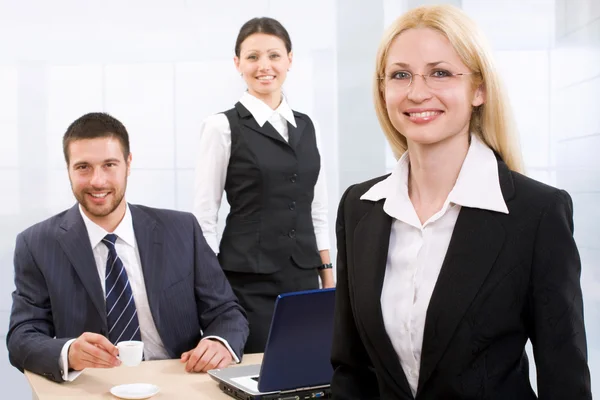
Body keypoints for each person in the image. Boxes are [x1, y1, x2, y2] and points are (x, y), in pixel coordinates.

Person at [331, 5, 591, 400]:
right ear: (383, 89)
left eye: (440, 73)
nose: (418, 92)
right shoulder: (359, 208)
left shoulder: (536, 214)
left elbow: (565, 381)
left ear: (479, 89)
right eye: (400, 75)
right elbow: (351, 371)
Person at [7, 112, 249, 383]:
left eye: (109, 164)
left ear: (128, 164)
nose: (97, 181)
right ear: (68, 170)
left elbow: (225, 311)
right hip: (94, 385)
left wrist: (220, 342)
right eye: (83, 167)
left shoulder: (181, 229)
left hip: (180, 380)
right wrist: (68, 352)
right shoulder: (37, 243)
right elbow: (22, 337)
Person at [193, 17, 334, 354]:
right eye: (253, 56)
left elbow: (317, 207)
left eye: (274, 55)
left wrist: (327, 274)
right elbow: (204, 215)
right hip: (245, 280)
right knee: (254, 371)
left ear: (289, 60)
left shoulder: (306, 125)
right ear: (237, 63)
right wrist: (212, 289)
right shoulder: (221, 127)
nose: (264, 66)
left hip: (302, 276)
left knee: (305, 366)